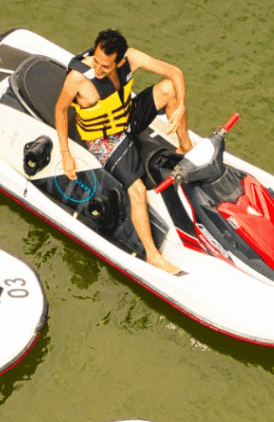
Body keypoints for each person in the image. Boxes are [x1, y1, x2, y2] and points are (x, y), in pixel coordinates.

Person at [54, 29, 191, 277]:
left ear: (119, 61)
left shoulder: (132, 58)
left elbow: (175, 73)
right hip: (103, 138)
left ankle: (185, 148)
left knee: (170, 88)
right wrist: (65, 152)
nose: (98, 69)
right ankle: (153, 255)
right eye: (96, 61)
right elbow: (61, 110)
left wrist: (180, 107)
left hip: (126, 117)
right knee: (137, 190)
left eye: (106, 66)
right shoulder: (79, 79)